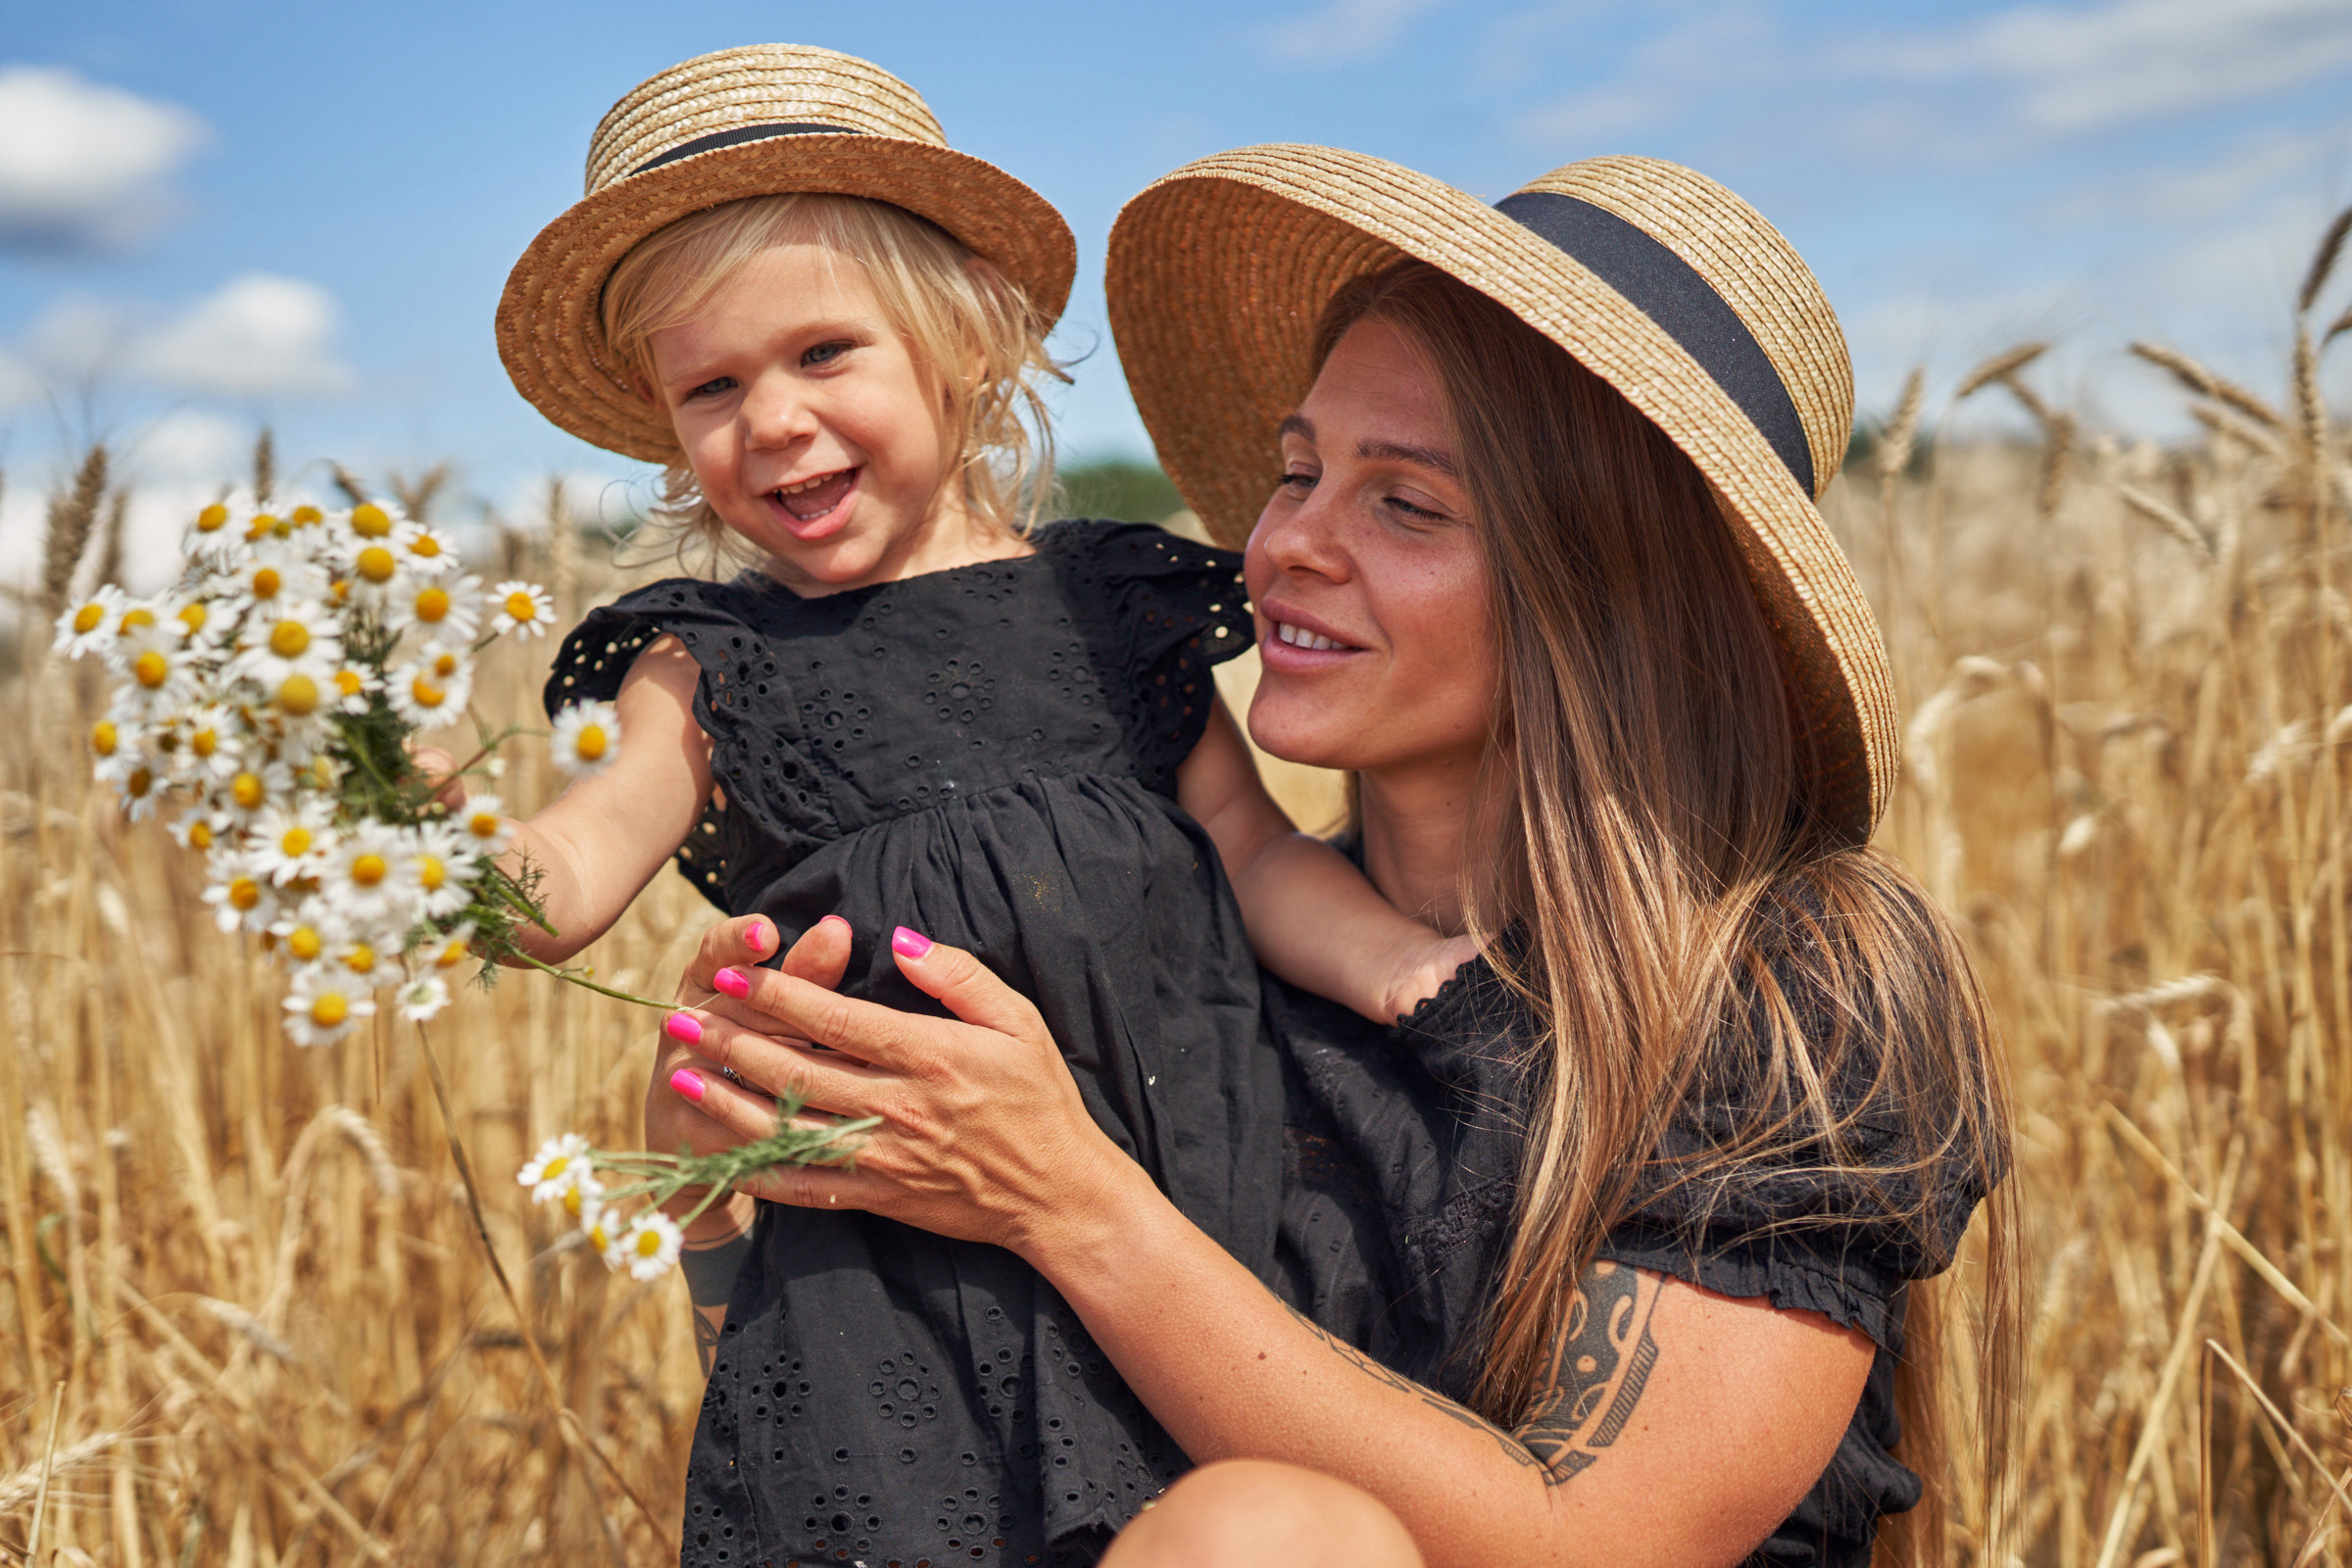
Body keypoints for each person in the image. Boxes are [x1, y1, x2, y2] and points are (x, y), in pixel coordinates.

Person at [656, 146, 2022, 1568]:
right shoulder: (1183, 950)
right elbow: (921, 1469)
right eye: (1298, 472)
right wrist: (734, 1201)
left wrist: (1069, 1202)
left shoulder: (1793, 978)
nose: (1285, 542)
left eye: (1407, 504)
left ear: (1611, 597)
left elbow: (1607, 1541)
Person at [465, 46, 1472, 1568]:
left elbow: (1252, 849)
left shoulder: (1105, 606)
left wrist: (1405, 968)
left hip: (1185, 1219)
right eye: (714, 388)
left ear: (964, 346)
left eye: (823, 354)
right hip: (882, 1299)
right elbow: (574, 867)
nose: (775, 420)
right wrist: (419, 851)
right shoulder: (708, 663)